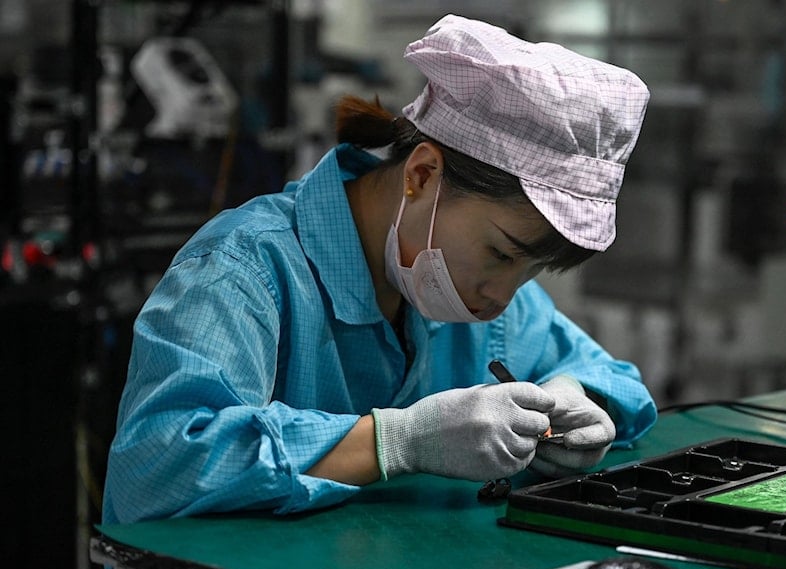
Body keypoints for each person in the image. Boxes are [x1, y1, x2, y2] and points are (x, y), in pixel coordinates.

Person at [103, 14, 656, 526]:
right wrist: (393, 442)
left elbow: (613, 380)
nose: (503, 296)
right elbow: (158, 465)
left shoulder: (482, 299)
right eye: (504, 254)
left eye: (532, 270)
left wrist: (581, 400)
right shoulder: (244, 273)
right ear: (420, 175)